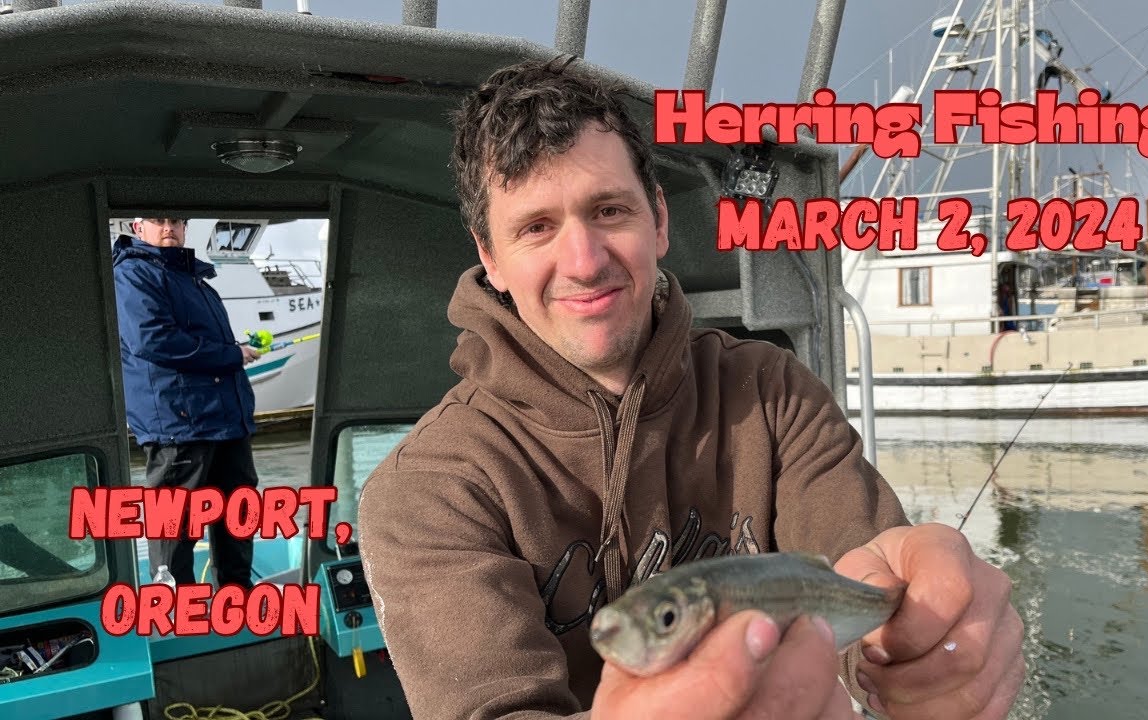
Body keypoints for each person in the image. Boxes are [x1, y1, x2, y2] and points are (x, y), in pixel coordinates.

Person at [357, 57, 1025, 720]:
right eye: (537, 227)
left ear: (659, 220)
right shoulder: (427, 490)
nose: (585, 262)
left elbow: (865, 571)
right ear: (490, 257)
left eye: (609, 210)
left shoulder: (773, 392)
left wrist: (932, 641)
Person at [112, 217, 262, 590]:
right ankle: (176, 610)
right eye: (158, 221)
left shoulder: (195, 278)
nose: (168, 228)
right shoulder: (132, 273)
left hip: (225, 421)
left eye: (175, 221)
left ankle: (236, 597)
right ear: (137, 226)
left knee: (238, 514)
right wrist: (232, 355)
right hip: (179, 423)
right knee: (177, 525)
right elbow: (153, 341)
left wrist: (233, 354)